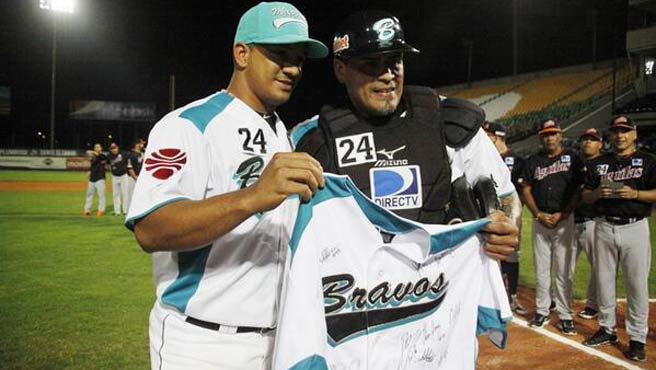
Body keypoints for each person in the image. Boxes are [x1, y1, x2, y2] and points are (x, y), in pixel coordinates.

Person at [125, 3, 328, 370]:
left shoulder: (284, 135)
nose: (293, 69)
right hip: (203, 343)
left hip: (281, 339)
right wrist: (252, 197)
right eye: (280, 55)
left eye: (299, 59)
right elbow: (151, 229)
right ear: (242, 53)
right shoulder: (189, 125)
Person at [292, 10, 519, 261]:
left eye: (394, 61)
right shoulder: (311, 140)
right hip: (357, 293)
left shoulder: (451, 123)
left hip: (442, 290)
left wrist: (505, 224)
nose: (388, 74)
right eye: (371, 64)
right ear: (340, 69)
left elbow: (506, 196)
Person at [581, 116, 655, 362]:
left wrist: (636, 193)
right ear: (610, 136)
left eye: (625, 131)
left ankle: (637, 338)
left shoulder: (648, 161)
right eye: (616, 131)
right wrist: (595, 194)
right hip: (603, 225)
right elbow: (585, 195)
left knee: (637, 285)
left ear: (634, 134)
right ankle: (607, 328)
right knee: (604, 281)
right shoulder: (599, 163)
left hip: (635, 227)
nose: (620, 135)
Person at [520, 119, 584, 335]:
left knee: (564, 270)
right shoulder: (533, 161)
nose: (550, 137)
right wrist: (537, 214)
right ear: (541, 137)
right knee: (542, 269)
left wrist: (564, 213)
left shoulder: (573, 158)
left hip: (564, 221)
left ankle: (565, 314)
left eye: (553, 133)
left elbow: (578, 189)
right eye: (546, 134)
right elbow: (526, 189)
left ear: (560, 135)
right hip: (541, 220)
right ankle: (542, 310)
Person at [483, 121, 528, 315]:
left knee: (510, 255)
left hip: (510, 216)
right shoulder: (482, 158)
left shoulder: (516, 160)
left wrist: (515, 216)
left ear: (494, 136)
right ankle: (494, 296)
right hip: (488, 215)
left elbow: (521, 191)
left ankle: (512, 296)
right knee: (489, 256)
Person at [573, 128, 603, 320]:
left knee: (599, 266)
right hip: (571, 221)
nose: (588, 143)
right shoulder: (575, 164)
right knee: (564, 265)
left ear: (600, 143)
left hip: (594, 221)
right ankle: (559, 301)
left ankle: (593, 304)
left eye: (592, 140)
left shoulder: (606, 163)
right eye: (585, 139)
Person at [106, 142, 131, 215]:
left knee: (125, 193)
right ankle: (117, 211)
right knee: (115, 194)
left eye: (115, 148)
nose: (114, 150)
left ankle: (125, 211)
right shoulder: (109, 156)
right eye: (112, 149)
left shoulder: (123, 154)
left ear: (117, 148)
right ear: (110, 149)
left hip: (123, 176)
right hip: (114, 176)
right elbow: (107, 163)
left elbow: (129, 160)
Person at [83, 143, 107, 216]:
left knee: (101, 195)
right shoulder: (93, 157)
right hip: (92, 178)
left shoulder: (103, 156)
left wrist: (94, 153)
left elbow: (102, 158)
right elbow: (93, 165)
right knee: (89, 194)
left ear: (101, 148)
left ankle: (100, 210)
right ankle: (87, 210)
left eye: (98, 147)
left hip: (100, 178)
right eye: (95, 147)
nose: (97, 148)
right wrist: (90, 171)